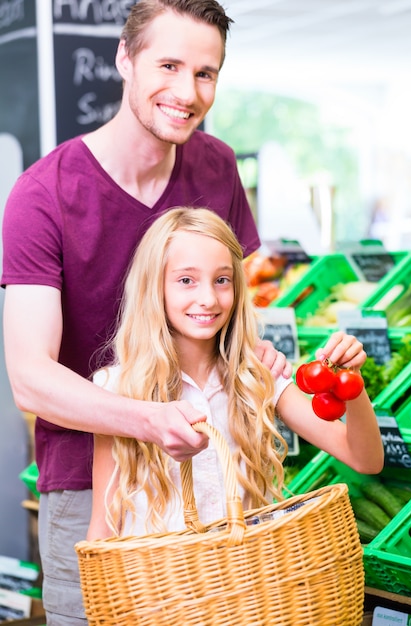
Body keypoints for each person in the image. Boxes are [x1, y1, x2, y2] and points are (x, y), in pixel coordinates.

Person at [1, 1, 291, 624]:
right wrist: (149, 420)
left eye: (206, 73)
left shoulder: (217, 166)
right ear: (124, 60)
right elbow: (30, 376)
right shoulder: (43, 195)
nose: (187, 93)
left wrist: (262, 355)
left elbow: (240, 309)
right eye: (168, 65)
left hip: (217, 483)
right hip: (91, 487)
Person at [87, 206, 384, 542]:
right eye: (186, 280)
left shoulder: (259, 376)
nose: (208, 298)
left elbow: (365, 459)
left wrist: (351, 385)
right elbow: (105, 522)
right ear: (154, 288)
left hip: (242, 581)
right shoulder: (117, 388)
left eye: (222, 280)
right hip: (159, 585)